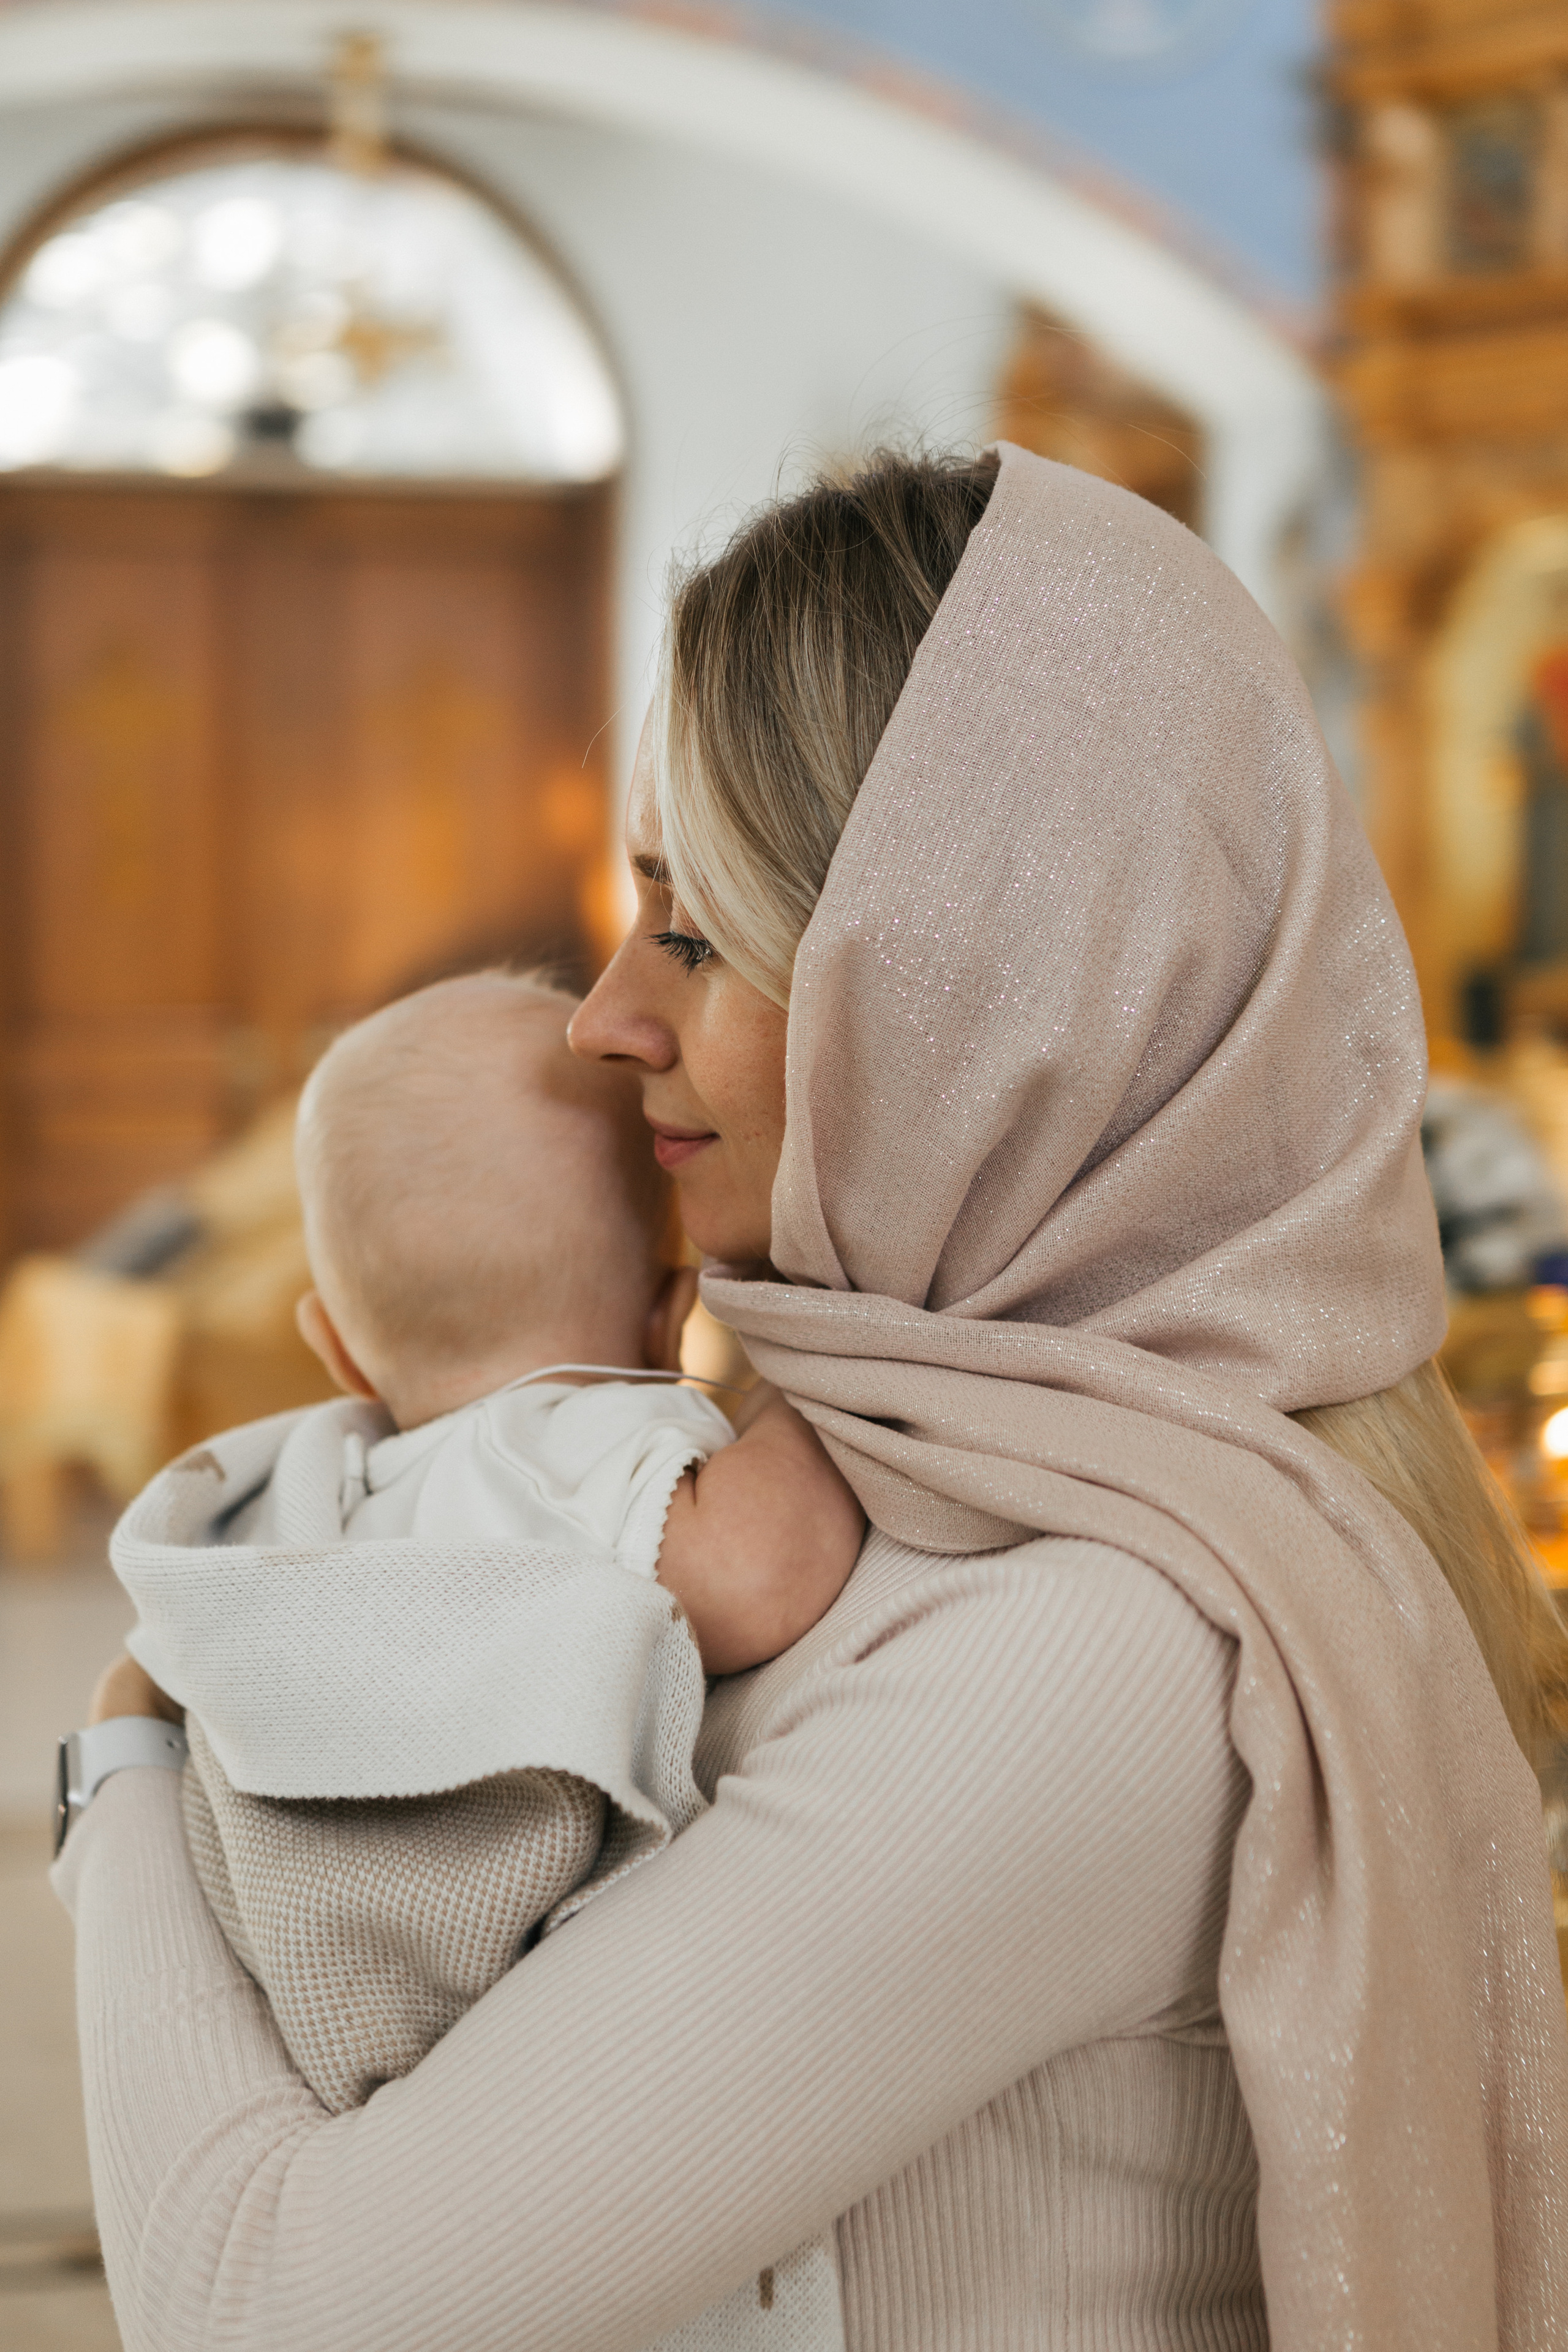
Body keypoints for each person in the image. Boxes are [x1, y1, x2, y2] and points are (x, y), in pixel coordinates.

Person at [58, 445, 1568, 2352]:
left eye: (694, 930)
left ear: (979, 998)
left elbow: (270, 2304)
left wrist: (128, 1757)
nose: (605, 1019)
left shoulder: (1093, 1648)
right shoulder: (891, 1477)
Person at [107, 970, 862, 2128]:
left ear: (338, 1353)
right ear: (670, 1320)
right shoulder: (570, 1437)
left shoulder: (333, 1500)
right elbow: (758, 1575)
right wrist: (803, 1370)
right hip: (489, 2011)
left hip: (305, 1974)